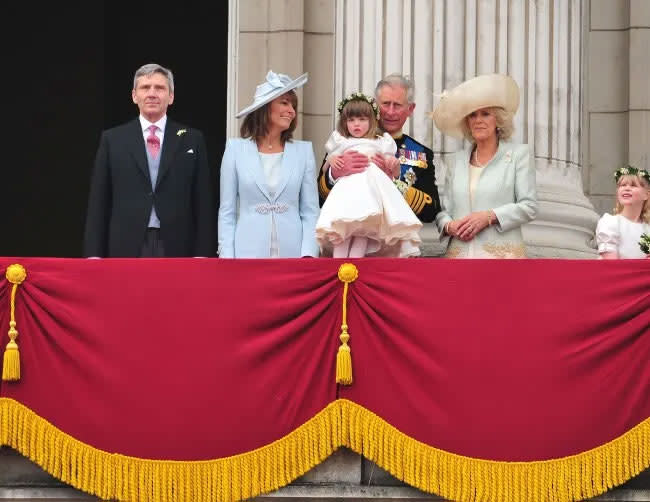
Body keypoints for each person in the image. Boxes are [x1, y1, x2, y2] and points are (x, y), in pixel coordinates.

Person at [83, 63, 216, 257]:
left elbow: (203, 200)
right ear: (134, 95)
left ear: (171, 96)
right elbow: (99, 200)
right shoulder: (113, 139)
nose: (152, 93)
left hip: (178, 244)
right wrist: (93, 253)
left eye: (160, 88)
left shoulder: (192, 139)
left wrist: (203, 252)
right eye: (145, 87)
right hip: (125, 243)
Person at [431, 73, 537, 258]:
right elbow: (445, 212)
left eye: (485, 114)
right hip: (459, 258)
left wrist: (489, 216)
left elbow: (529, 206)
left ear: (498, 120)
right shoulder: (456, 161)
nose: (478, 120)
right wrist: (449, 225)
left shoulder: (518, 156)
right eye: (473, 115)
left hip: (502, 259)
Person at [218, 70, 319, 258]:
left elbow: (310, 210)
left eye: (293, 105)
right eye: (284, 102)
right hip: (246, 254)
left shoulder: (303, 152)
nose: (292, 111)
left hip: (294, 254)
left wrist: (309, 254)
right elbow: (227, 211)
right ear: (265, 107)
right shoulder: (235, 150)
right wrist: (227, 257)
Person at [317, 74, 440, 223]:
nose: (390, 111)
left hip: (394, 237)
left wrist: (391, 183)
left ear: (410, 109)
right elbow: (318, 199)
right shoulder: (345, 141)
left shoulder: (420, 153)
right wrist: (335, 174)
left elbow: (431, 211)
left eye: (398, 105)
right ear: (374, 105)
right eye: (386, 104)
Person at [316, 93, 422, 258]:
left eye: (362, 119)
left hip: (371, 194)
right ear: (344, 123)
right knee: (342, 229)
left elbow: (392, 165)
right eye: (351, 120)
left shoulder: (382, 142)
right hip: (346, 195)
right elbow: (326, 168)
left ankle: (355, 267)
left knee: (364, 232)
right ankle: (338, 270)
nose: (356, 124)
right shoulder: (340, 141)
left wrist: (392, 166)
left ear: (372, 121)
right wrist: (332, 160)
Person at [595, 166, 650, 259]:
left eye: (633, 185)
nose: (627, 188)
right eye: (622, 185)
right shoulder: (611, 222)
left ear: (646, 195)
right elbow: (611, 265)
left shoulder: (647, 229)